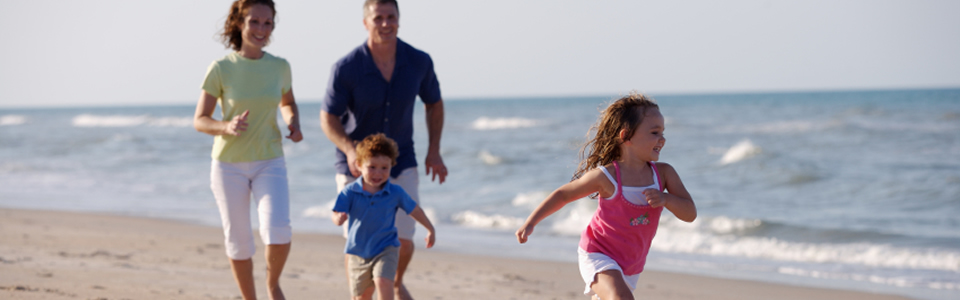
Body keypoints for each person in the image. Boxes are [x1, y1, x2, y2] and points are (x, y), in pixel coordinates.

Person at [320, 1, 447, 298]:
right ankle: (361, 293)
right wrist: (351, 150)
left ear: (399, 21)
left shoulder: (418, 61)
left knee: (403, 238)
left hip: (402, 161)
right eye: (379, 18)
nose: (386, 23)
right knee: (358, 240)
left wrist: (435, 150)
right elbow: (328, 117)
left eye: (392, 17)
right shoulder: (347, 67)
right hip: (356, 166)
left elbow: (434, 103)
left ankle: (392, 281)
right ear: (366, 23)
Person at [515, 93, 697, 300]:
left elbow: (690, 213)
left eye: (663, 132)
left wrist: (666, 199)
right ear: (626, 136)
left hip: (632, 264)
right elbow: (564, 194)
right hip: (597, 253)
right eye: (655, 132)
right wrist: (531, 222)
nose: (662, 139)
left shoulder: (663, 174)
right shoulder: (607, 177)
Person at [193, 0, 301, 299]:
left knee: (278, 229)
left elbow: (287, 102)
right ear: (240, 22)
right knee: (239, 241)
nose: (261, 29)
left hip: (270, 160)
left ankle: (272, 284)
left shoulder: (280, 66)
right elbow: (200, 120)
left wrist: (293, 122)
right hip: (228, 165)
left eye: (268, 23)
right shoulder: (221, 68)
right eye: (255, 21)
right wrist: (225, 126)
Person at [332, 133, 436, 300]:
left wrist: (430, 228)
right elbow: (336, 212)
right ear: (359, 165)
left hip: (386, 248)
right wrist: (338, 218)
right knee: (362, 296)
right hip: (358, 251)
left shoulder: (395, 192)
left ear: (391, 166)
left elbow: (414, 210)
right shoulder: (350, 191)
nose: (378, 173)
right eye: (372, 167)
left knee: (383, 281)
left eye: (384, 168)